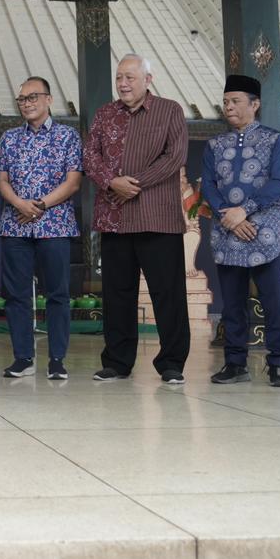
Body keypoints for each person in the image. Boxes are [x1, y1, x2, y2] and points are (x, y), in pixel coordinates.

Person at [83, 55, 191, 384]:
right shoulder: (104, 114)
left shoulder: (170, 110)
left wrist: (134, 184)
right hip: (114, 218)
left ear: (148, 79)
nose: (123, 84)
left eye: (130, 77)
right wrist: (111, 182)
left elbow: (175, 156)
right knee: (117, 293)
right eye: (119, 77)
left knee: (167, 293)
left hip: (157, 217)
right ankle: (117, 361)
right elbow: (90, 155)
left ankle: (171, 363)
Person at [201, 74, 280, 387]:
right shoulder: (214, 145)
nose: (228, 107)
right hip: (228, 232)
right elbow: (209, 187)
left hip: (266, 234)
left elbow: (279, 184)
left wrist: (245, 211)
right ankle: (235, 363)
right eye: (225, 102)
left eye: (235, 101)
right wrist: (231, 216)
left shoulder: (275, 140)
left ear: (255, 105)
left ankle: (279, 363)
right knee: (232, 305)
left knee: (274, 302)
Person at [0, 77, 83, 380]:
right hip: (15, 226)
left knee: (58, 294)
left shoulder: (68, 136)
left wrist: (40, 206)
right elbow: (2, 180)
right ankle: (23, 358)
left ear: (49, 99)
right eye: (22, 99)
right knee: (16, 295)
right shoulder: (9, 138)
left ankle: (57, 359)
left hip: (55, 226)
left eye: (33, 97)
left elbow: (73, 182)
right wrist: (20, 204)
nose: (27, 103)